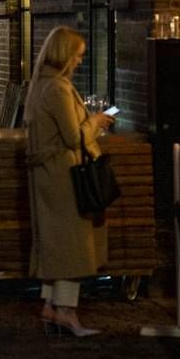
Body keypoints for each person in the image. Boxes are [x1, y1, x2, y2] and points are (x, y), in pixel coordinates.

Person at [24, 27, 115, 337]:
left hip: (48, 174)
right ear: (65, 55)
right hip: (64, 175)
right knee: (71, 244)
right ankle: (66, 312)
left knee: (54, 241)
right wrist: (97, 121)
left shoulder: (40, 85)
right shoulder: (59, 89)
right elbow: (74, 136)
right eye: (77, 55)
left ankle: (50, 304)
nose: (79, 61)